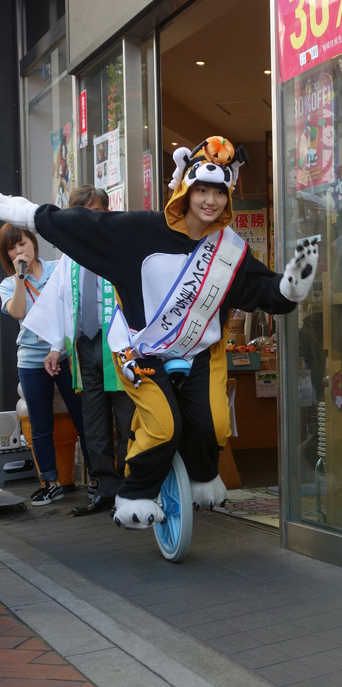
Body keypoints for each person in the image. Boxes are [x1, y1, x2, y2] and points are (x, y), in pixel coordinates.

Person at [0, 134, 318, 529]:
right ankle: (134, 492)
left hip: (201, 353)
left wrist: (290, 286)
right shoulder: (141, 231)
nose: (210, 201)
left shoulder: (230, 249)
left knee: (214, 424)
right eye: (201, 189)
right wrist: (22, 212)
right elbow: (83, 225)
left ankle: (201, 475)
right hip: (140, 350)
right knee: (163, 424)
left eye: (219, 192)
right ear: (185, 187)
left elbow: (261, 289)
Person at [24, 185, 135, 516]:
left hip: (119, 347)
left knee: (128, 419)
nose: (92, 219)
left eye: (98, 211)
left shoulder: (122, 249)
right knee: (94, 423)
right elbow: (60, 305)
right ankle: (105, 488)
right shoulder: (68, 259)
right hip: (83, 346)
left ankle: (133, 487)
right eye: (85, 212)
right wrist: (55, 348)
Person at [0, 225, 90, 506]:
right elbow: (17, 312)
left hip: (64, 354)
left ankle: (99, 477)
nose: (19, 251)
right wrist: (19, 278)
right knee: (41, 425)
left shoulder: (58, 269)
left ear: (33, 243)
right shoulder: (7, 284)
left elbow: (72, 305)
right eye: (12, 248)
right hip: (30, 360)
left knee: (85, 418)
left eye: (23, 244)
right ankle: (51, 482)